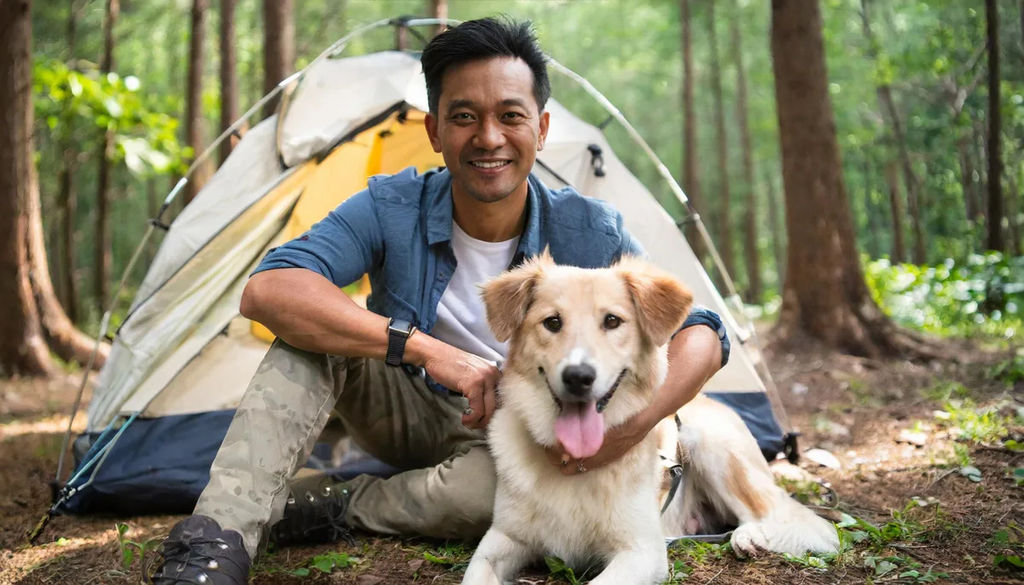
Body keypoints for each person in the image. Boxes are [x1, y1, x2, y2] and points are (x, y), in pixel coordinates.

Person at [152, 17, 729, 585]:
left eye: (510, 116)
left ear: (542, 127)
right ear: (434, 131)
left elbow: (703, 333)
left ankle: (334, 503)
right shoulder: (389, 205)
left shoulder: (590, 230)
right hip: (401, 401)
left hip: (519, 428)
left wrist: (634, 428)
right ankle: (215, 542)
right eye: (464, 117)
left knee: (487, 501)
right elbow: (267, 289)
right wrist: (426, 350)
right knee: (304, 338)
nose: (489, 137)